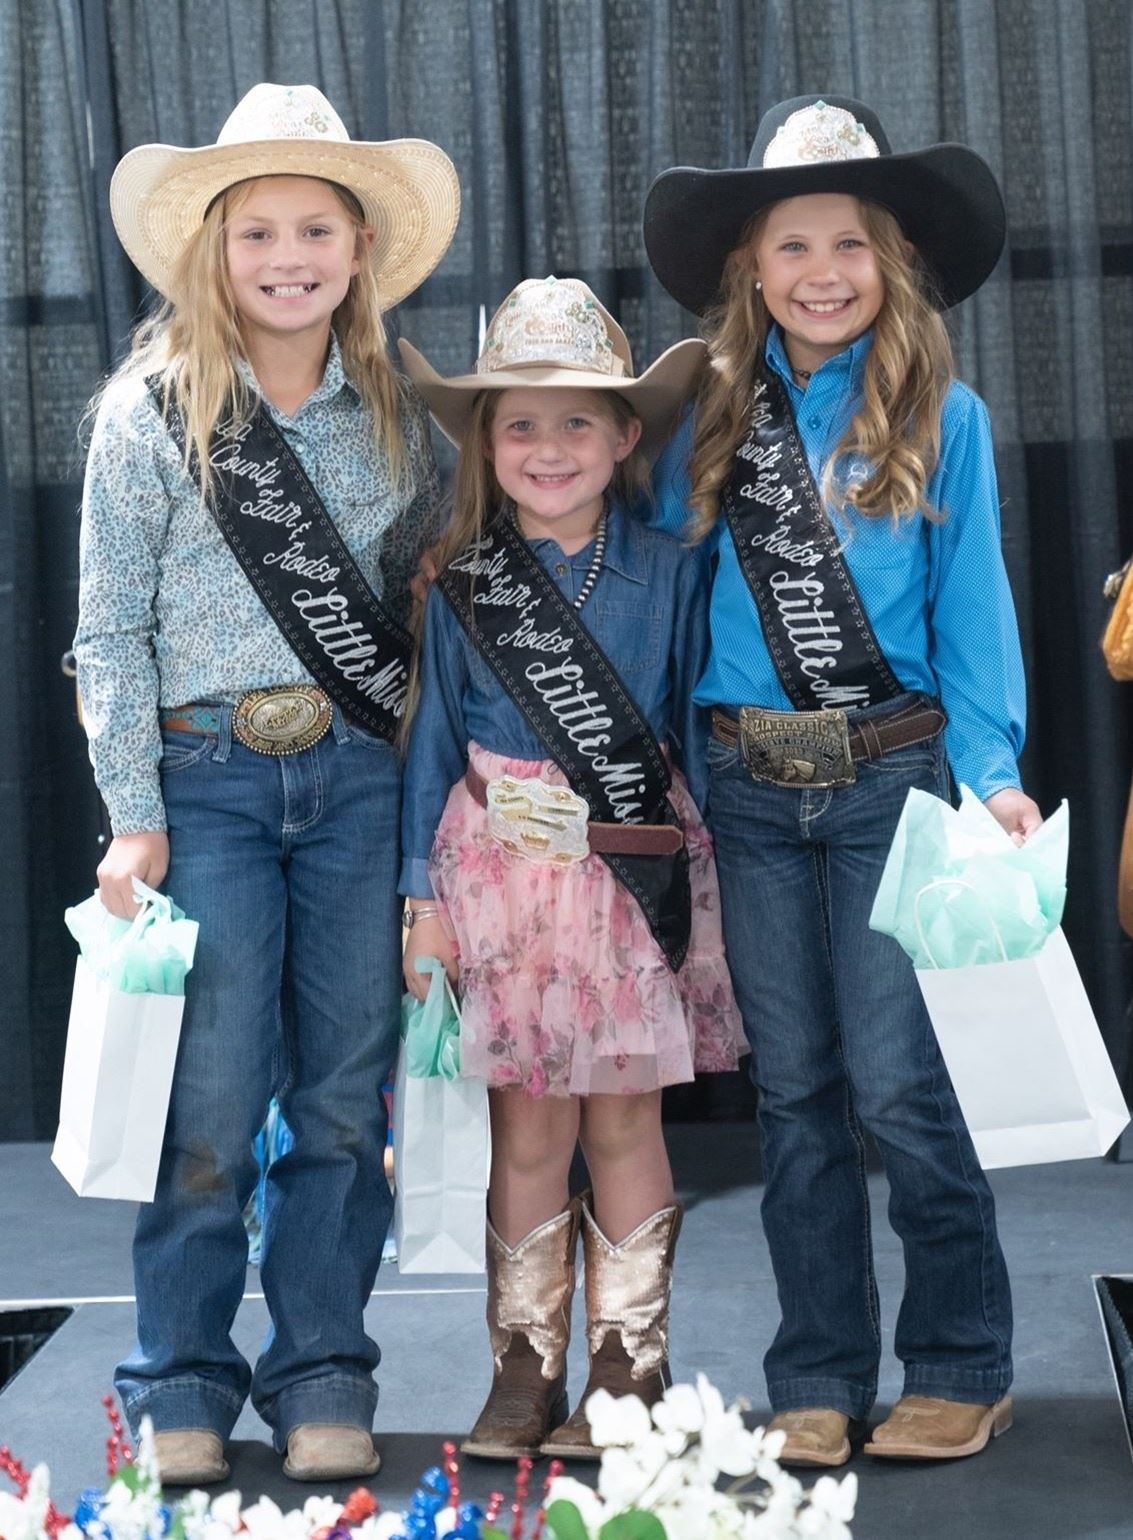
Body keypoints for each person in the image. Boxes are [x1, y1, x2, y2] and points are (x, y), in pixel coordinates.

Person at [643, 95, 1042, 1467]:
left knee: (898, 1088)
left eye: (848, 245)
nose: (822, 273)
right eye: (793, 244)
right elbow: (659, 602)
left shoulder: (949, 413)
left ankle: (957, 1361)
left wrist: (991, 773)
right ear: (751, 267)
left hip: (893, 784)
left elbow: (974, 609)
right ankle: (815, 1370)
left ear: (892, 260)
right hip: (745, 791)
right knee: (797, 1094)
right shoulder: (703, 416)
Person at [74, 83, 458, 1486]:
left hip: (360, 783)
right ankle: (180, 1377)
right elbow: (107, 630)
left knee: (348, 1104)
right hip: (208, 779)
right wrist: (134, 812)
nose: (286, 256)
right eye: (256, 233)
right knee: (213, 1104)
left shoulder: (412, 418)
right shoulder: (149, 414)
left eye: (315, 228)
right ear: (211, 252)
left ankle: (322, 1373)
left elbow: (426, 623)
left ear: (360, 250)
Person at [398, 276, 744, 1461]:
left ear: (627, 436)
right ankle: (521, 1368)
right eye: (520, 423)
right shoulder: (459, 582)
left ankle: (626, 1365)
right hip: (494, 883)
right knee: (526, 1130)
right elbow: (431, 745)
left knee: (624, 1122)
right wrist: (416, 898)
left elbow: (691, 735)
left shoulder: (671, 568)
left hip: (626, 886)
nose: (548, 448)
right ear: (485, 443)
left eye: (578, 421)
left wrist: (711, 893)